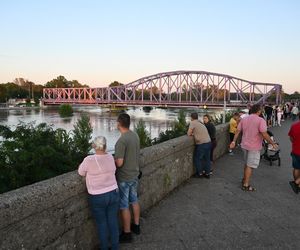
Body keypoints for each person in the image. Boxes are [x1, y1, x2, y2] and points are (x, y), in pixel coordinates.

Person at [78, 136, 119, 250]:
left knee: (102, 224)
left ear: (93, 146)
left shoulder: (88, 160)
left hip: (97, 196)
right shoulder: (110, 157)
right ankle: (115, 247)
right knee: (113, 222)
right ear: (105, 146)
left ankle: (104, 248)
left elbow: (81, 172)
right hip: (113, 192)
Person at [230, 104, 277, 191]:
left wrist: (233, 141)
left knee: (247, 164)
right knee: (250, 165)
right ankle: (246, 185)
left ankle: (244, 179)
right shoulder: (260, 120)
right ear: (258, 111)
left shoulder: (244, 119)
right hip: (254, 147)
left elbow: (238, 130)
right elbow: (264, 134)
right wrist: (272, 142)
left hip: (244, 145)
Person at [114, 113, 141, 243]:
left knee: (124, 205)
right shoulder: (135, 135)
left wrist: (112, 160)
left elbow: (119, 163)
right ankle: (136, 226)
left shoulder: (121, 141)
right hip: (135, 175)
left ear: (119, 124)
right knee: (134, 200)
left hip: (124, 177)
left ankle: (127, 233)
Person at [187, 112, 212, 178]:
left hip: (202, 144)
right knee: (207, 159)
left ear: (191, 117)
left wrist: (193, 134)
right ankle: (207, 174)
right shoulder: (201, 122)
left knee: (197, 158)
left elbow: (189, 133)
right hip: (209, 142)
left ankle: (200, 174)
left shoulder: (193, 122)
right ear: (197, 117)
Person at [288, 114, 300, 194]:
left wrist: (295, 143)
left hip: (295, 150)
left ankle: (297, 183)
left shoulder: (294, 126)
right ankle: (296, 183)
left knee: (296, 168)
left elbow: (290, 137)